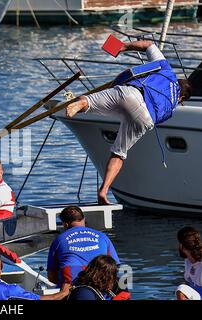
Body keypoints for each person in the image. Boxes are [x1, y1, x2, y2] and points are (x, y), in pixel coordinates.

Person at [65, 40, 192, 205]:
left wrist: (122, 46)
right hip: (146, 118)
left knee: (88, 101)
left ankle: (82, 104)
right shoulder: (172, 106)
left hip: (132, 94)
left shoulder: (166, 69)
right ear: (181, 98)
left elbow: (148, 44)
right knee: (119, 153)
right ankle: (104, 191)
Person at [46, 206, 120, 300]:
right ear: (84, 219)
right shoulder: (102, 237)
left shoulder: (59, 240)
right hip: (101, 287)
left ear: (65, 224)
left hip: (72, 289)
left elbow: (51, 276)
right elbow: (114, 266)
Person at [175, 226, 202, 300]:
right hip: (197, 295)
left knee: (181, 289)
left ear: (181, 245)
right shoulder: (187, 261)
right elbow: (189, 283)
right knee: (182, 288)